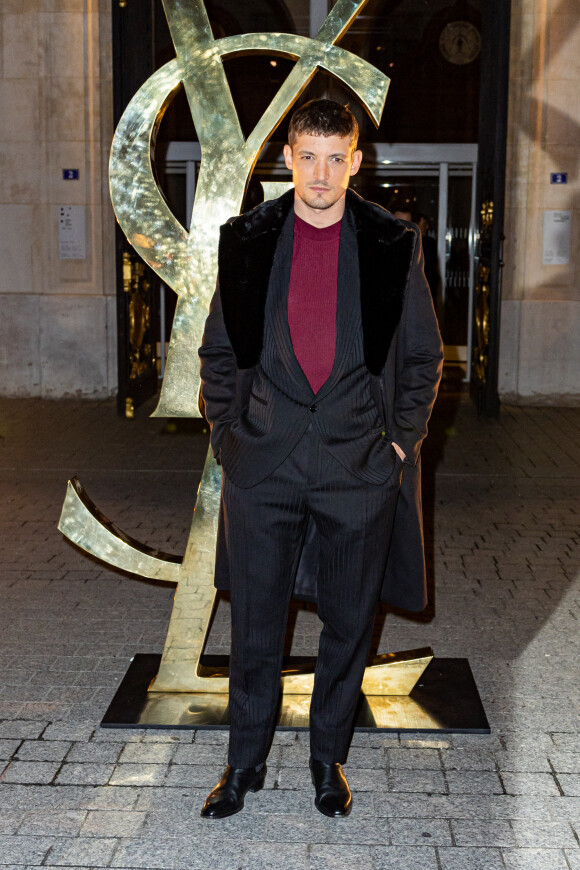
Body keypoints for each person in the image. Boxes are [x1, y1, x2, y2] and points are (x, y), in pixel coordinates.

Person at [198, 98, 443, 820]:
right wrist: (228, 438)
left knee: (347, 621)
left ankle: (327, 758)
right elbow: (218, 354)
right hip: (263, 466)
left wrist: (397, 443)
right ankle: (242, 764)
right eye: (309, 156)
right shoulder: (248, 241)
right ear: (288, 158)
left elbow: (425, 358)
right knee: (255, 628)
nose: (322, 172)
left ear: (356, 162)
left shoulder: (393, 243)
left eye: (337, 157)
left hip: (356, 468)